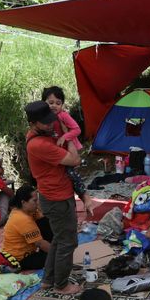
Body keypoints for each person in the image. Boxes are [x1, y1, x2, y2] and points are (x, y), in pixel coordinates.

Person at [25, 101, 82, 294]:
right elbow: (75, 160)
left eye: (51, 120)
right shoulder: (40, 144)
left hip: (53, 195)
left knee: (59, 239)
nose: (51, 125)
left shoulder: (37, 135)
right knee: (68, 241)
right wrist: (69, 138)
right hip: (57, 198)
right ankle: (61, 285)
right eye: (46, 123)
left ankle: (48, 280)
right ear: (33, 123)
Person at [42, 86, 100, 218]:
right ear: (44, 102)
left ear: (62, 104)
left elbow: (77, 130)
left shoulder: (63, 115)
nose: (54, 106)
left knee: (71, 174)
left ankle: (84, 196)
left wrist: (64, 137)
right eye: (50, 103)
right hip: (56, 153)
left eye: (58, 103)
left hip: (68, 150)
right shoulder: (44, 118)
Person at [2, 185, 53, 271]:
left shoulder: (25, 210)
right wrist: (58, 253)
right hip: (19, 259)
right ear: (23, 202)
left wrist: (39, 207)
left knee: (45, 222)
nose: (37, 203)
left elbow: (44, 220)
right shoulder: (22, 219)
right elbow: (39, 243)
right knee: (55, 258)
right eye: (35, 201)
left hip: (27, 252)